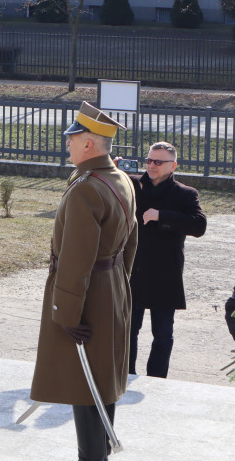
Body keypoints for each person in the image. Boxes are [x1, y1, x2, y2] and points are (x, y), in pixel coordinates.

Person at [30, 101, 137, 461]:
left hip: (88, 297)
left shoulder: (86, 188)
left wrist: (66, 312)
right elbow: (132, 240)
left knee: (86, 385)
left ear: (88, 144)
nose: (68, 144)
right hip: (111, 288)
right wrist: (118, 284)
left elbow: (76, 260)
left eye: (73, 139)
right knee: (102, 382)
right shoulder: (119, 178)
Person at [126, 141, 206, 378]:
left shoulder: (185, 193)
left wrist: (163, 216)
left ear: (173, 166)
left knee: (162, 334)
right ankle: (126, 374)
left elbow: (199, 226)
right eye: (149, 160)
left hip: (165, 272)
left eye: (158, 162)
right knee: (128, 330)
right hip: (134, 270)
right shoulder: (131, 185)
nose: (151, 165)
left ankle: (157, 380)